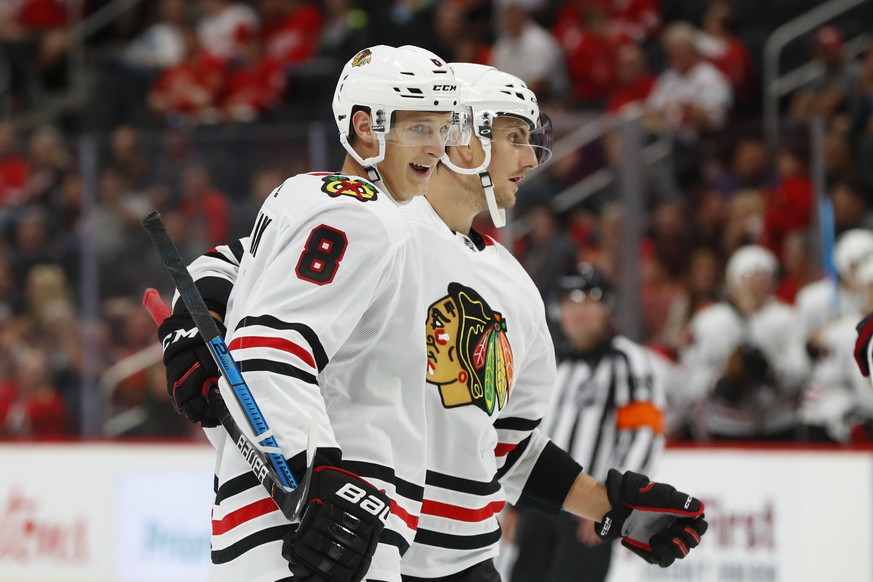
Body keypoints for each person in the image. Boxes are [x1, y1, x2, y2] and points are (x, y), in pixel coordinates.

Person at [160, 61, 708, 582]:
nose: (531, 158)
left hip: (458, 560)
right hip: (339, 537)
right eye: (515, 137)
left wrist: (611, 504)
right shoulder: (376, 214)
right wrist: (195, 325)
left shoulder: (515, 289)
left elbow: (504, 446)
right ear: (465, 135)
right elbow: (240, 262)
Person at [156, 44, 461, 582]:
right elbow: (275, 345)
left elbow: (231, 264)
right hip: (324, 530)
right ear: (366, 127)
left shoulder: (305, 195)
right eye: (420, 128)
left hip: (260, 518)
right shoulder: (364, 217)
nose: (438, 147)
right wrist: (314, 478)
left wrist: (191, 321)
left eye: (443, 127)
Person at [508, 264, 666, 582]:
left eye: (589, 300)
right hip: (539, 508)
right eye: (570, 301)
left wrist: (612, 504)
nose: (579, 311)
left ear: (605, 307)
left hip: (588, 510)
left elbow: (644, 436)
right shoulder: (556, 364)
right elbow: (532, 434)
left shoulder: (627, 361)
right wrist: (514, 505)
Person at [678, 245, 810, 441]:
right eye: (749, 276)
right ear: (734, 281)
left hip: (778, 424)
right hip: (725, 425)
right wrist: (716, 384)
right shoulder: (709, 321)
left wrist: (772, 372)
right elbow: (689, 371)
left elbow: (802, 367)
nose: (757, 284)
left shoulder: (788, 318)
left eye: (763, 276)